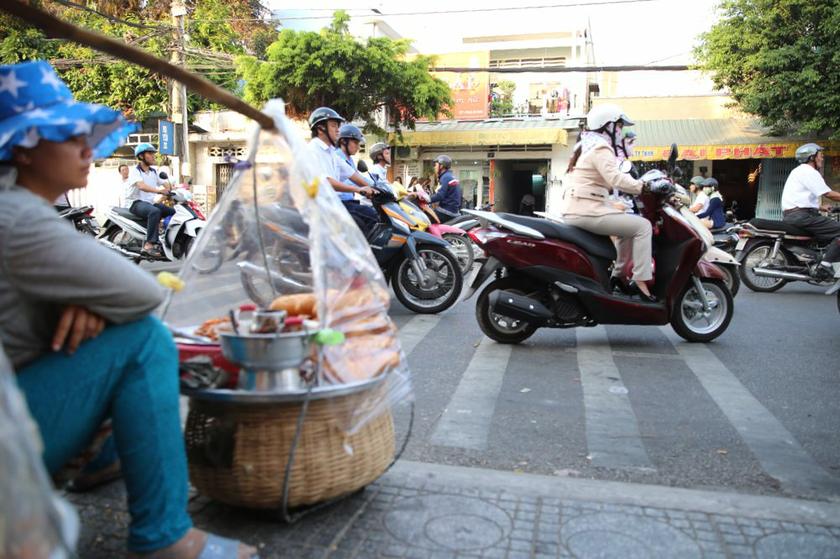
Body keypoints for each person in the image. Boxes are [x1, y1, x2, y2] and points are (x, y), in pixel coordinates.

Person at [0, 60, 258, 559]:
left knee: (111, 326)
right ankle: (165, 536)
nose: (85, 146)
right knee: (144, 339)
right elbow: (143, 295)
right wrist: (98, 300)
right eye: (65, 134)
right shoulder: (19, 216)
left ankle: (101, 460)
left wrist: (89, 300)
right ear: (26, 149)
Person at [558, 103, 656, 301]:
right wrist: (643, 187)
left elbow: (607, 181)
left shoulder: (587, 144)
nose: (621, 132)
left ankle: (618, 276)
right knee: (643, 226)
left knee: (627, 230)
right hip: (587, 210)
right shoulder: (601, 147)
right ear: (608, 126)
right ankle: (641, 281)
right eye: (619, 127)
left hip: (582, 207)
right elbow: (616, 179)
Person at [781, 143, 840, 278]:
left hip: (795, 215)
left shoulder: (797, 171)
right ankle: (825, 265)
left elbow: (798, 198)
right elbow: (828, 194)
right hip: (803, 217)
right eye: (820, 156)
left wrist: (820, 207)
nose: (822, 159)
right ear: (811, 157)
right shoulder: (809, 172)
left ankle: (821, 258)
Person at [126, 143, 174, 257]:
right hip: (135, 203)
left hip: (149, 203)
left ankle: (166, 238)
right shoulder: (135, 171)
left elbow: (165, 183)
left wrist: (172, 189)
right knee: (155, 211)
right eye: (150, 154)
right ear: (141, 156)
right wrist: (160, 191)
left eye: (153, 154)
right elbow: (141, 186)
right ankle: (149, 244)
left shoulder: (154, 171)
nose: (153, 156)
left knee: (173, 212)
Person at [334, 122, 379, 236]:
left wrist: (375, 187)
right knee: (372, 216)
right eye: (355, 142)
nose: (358, 147)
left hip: (349, 202)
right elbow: (353, 181)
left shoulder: (349, 159)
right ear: (343, 141)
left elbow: (357, 177)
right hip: (340, 203)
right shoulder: (337, 157)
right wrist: (363, 189)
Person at [430, 154, 462, 220]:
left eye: (436, 165)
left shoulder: (445, 177)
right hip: (454, 211)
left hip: (447, 211)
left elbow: (440, 196)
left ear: (441, 166)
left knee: (425, 220)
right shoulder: (450, 176)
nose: (434, 167)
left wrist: (426, 199)